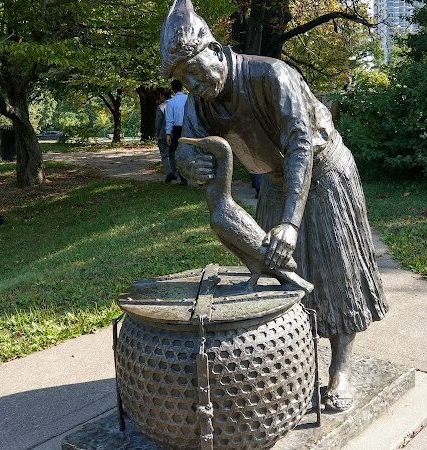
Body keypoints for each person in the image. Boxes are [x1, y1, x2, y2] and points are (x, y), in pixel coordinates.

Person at [161, 0, 387, 411]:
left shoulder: (271, 74)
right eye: (182, 79)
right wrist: (187, 161)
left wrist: (290, 223)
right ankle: (294, 359)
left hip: (323, 173)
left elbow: (300, 145)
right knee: (274, 272)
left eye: (194, 70)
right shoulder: (200, 103)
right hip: (275, 181)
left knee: (333, 273)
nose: (191, 84)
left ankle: (339, 371)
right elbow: (188, 148)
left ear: (215, 50)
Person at [164, 79, 188, 185]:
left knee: (178, 153)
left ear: (173, 89)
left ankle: (183, 178)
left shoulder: (171, 102)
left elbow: (169, 119)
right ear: (182, 87)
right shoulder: (188, 99)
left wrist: (168, 133)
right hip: (189, 127)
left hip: (177, 129)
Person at [155, 88, 176, 182]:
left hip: (163, 134)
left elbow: (158, 122)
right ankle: (175, 172)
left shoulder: (161, 107)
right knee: (172, 154)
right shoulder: (175, 104)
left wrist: (157, 132)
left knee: (164, 155)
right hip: (175, 133)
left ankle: (169, 173)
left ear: (163, 95)